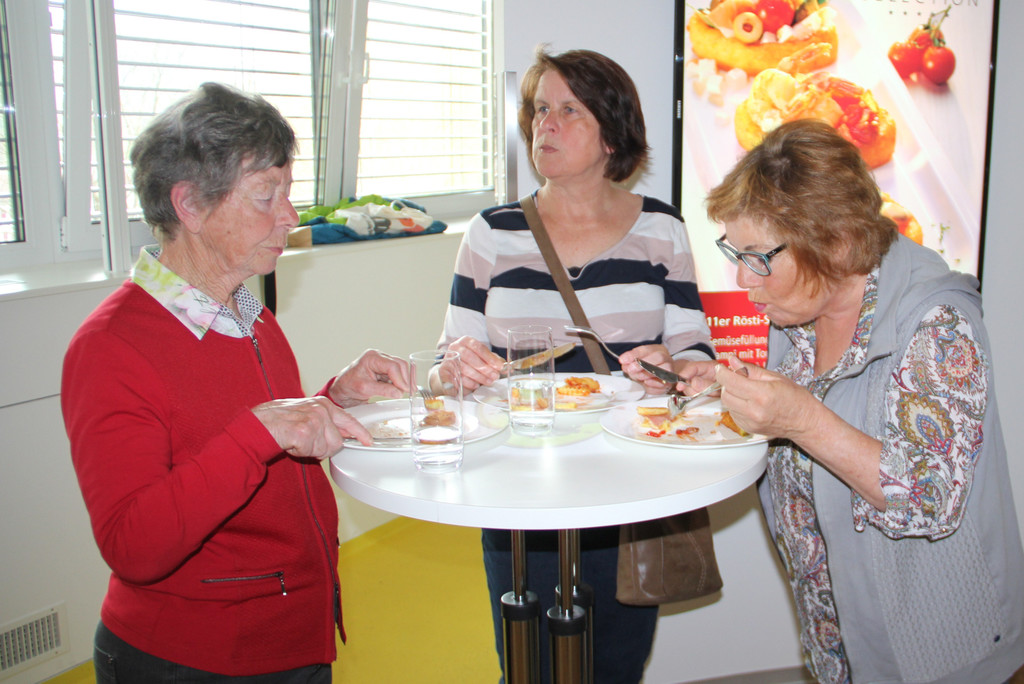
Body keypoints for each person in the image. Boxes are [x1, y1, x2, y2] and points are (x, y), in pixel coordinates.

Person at [61, 82, 409, 683]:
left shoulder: (248, 312)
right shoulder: (111, 347)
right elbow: (133, 545)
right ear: (190, 205)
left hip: (290, 635)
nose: (290, 217)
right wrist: (261, 431)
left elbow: (246, 442)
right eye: (266, 195)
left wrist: (334, 399)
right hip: (194, 658)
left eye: (288, 192)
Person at [689, 118, 1024, 683]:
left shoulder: (938, 322)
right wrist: (720, 385)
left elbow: (929, 496)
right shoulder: (797, 312)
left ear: (837, 243)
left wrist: (801, 419)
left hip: (938, 653)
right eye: (735, 253)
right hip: (837, 637)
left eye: (758, 257)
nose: (744, 280)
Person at [437, 48, 714, 682]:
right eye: (540, 110)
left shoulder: (662, 228)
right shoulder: (491, 231)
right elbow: (447, 363)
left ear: (612, 133)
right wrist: (456, 369)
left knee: (617, 662)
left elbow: (696, 354)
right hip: (517, 483)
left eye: (569, 110)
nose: (546, 125)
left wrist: (669, 366)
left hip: (629, 482)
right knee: (527, 665)